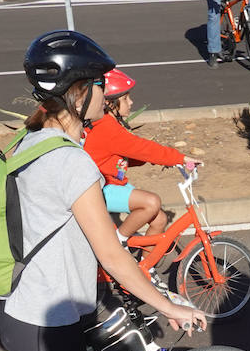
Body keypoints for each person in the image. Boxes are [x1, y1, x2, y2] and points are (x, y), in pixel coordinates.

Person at [4, 31, 207, 351]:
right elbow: (113, 256)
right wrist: (171, 305)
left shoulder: (35, 142)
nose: (104, 93)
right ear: (75, 93)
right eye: (96, 84)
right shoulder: (70, 160)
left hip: (33, 305)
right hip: (47, 317)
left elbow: (80, 216)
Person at [82, 68, 203, 242]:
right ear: (109, 103)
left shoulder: (109, 124)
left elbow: (126, 155)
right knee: (152, 202)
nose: (131, 102)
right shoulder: (106, 127)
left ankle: (147, 268)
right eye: (125, 98)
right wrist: (180, 158)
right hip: (100, 189)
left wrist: (158, 160)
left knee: (160, 219)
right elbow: (143, 148)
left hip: (114, 184)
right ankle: (116, 243)